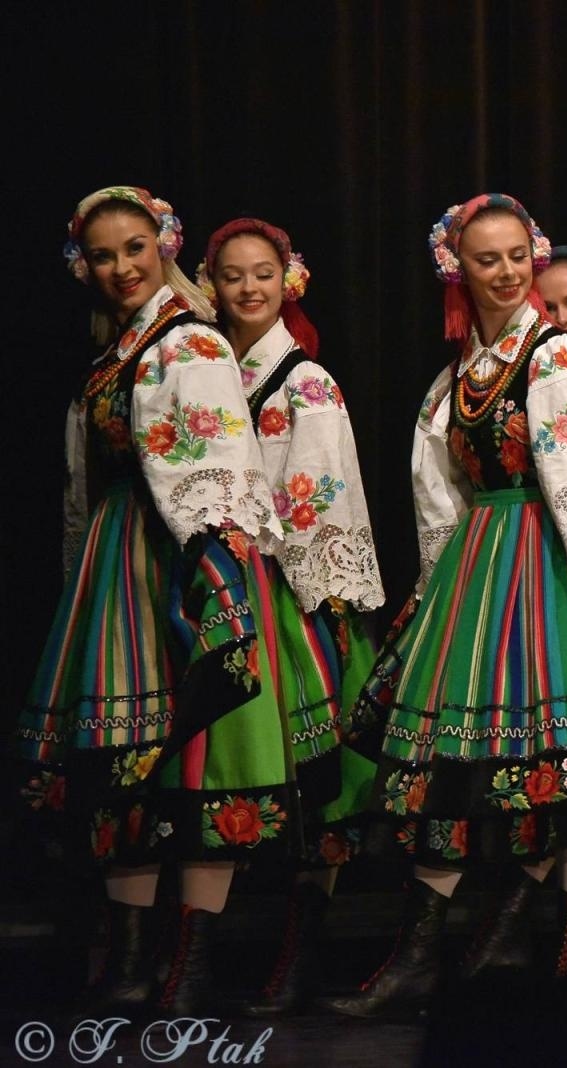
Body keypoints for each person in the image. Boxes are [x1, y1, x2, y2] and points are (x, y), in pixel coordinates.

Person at [326, 194, 567, 1017]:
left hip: (548, 566)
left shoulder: (560, 356)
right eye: (484, 259)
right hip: (480, 568)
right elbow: (441, 492)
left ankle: (550, 957)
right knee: (446, 771)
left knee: (560, 767)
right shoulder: (460, 372)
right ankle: (423, 954)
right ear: (458, 269)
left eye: (514, 257)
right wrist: (432, 588)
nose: (503, 272)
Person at [18, 186, 291, 1015]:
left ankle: (190, 957)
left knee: (201, 755)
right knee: (122, 757)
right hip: (120, 554)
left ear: (162, 247)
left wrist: (212, 581)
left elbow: (213, 464)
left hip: (177, 554)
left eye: (135, 247)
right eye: (104, 255)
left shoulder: (190, 339)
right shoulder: (120, 350)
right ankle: (132, 956)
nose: (121, 267)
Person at [196, 217, 385, 1013]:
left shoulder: (305, 383)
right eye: (232, 275)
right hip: (222, 587)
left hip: (289, 592)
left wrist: (325, 608)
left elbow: (322, 499)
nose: (248, 288)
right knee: (221, 768)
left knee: (315, 785)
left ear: (288, 280)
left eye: (262, 273)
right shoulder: (203, 372)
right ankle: (194, 956)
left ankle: (299, 955)